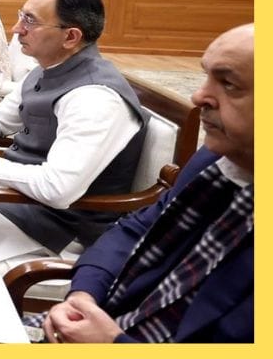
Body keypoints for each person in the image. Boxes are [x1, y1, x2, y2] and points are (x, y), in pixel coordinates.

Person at [43, 23, 253, 344]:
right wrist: (84, 295)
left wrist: (112, 344)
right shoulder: (215, 159)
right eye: (206, 76)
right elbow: (137, 228)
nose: (198, 96)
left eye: (229, 84)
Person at [0, 0, 148, 271]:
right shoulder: (47, 68)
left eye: (30, 21)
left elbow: (57, 189)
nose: (16, 29)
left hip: (52, 227)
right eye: (21, 16)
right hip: (10, 198)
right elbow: (0, 117)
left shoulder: (95, 98)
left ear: (70, 37)